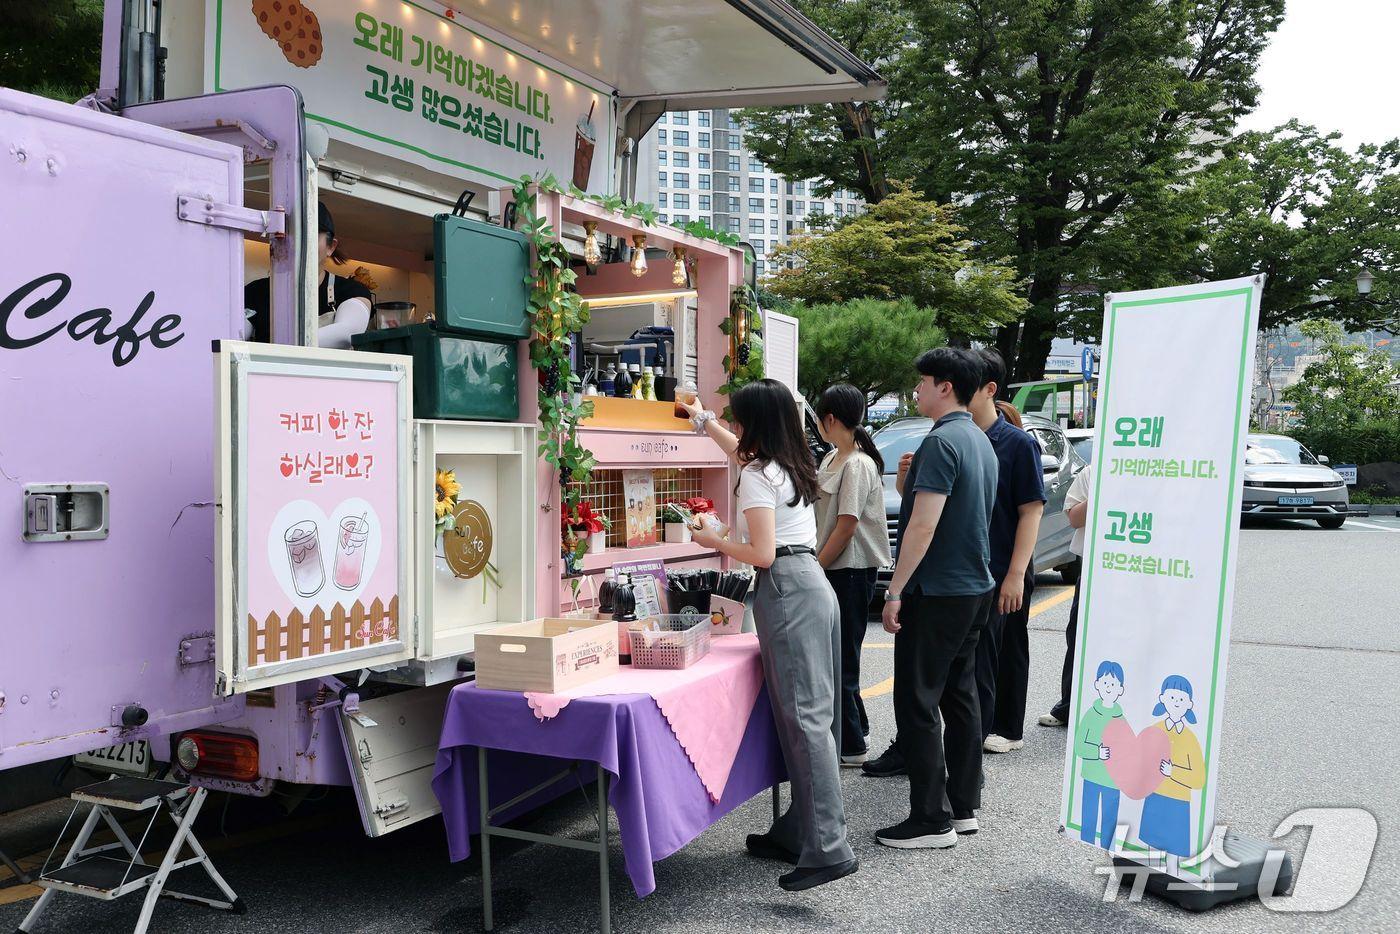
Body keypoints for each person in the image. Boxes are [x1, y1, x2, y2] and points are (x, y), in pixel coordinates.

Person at [681, 380, 858, 892]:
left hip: (785, 590)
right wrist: (701, 419)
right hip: (812, 586)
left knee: (804, 720)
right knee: (812, 716)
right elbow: (740, 453)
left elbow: (760, 554)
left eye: (737, 417)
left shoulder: (759, 475)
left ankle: (828, 848)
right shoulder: (789, 462)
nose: (733, 425)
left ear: (756, 422)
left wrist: (711, 539)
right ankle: (800, 830)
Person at [875, 348, 998, 849]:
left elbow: (923, 525)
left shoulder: (941, 442)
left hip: (938, 589)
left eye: (923, 382)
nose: (917, 391)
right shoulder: (980, 440)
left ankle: (931, 819)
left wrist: (895, 590)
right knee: (959, 695)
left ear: (945, 386)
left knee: (918, 700)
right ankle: (963, 805)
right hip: (974, 588)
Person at [969, 350, 1045, 754]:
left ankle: (1008, 727)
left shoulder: (1016, 444)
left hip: (1006, 562)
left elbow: (1032, 510)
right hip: (969, 564)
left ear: (988, 388)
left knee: (1009, 642)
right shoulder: (957, 437)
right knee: (978, 650)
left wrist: (1016, 573)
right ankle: (979, 723)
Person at [813, 384, 892, 767]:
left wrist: (815, 566)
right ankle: (856, 726)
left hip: (850, 569)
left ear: (830, 419)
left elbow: (846, 525)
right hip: (836, 567)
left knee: (842, 655)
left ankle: (852, 745)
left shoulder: (857, 464)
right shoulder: (833, 458)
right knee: (838, 652)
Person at [243, 202, 372, 348]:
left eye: (309, 234)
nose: (297, 243)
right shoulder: (254, 292)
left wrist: (282, 350)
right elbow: (232, 335)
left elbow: (346, 333)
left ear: (331, 247)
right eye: (288, 234)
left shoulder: (351, 291)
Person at [1138, 675, 1206, 874]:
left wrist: (1172, 771)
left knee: (1174, 847)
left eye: (1181, 699)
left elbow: (1199, 778)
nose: (1176, 703)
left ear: (1190, 704)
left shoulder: (1190, 738)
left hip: (1179, 801)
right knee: (1152, 841)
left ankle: (1174, 876)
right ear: (1162, 698)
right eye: (1172, 697)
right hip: (1155, 795)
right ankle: (1149, 875)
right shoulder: (1156, 729)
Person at [1040, 464, 1091, 727]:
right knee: (1079, 634)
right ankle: (1069, 706)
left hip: (1136, 572)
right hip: (1094, 566)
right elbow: (1074, 518)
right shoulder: (1094, 472)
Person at [1075, 660, 1126, 850]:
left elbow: (1128, 748)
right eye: (1105, 683)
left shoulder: (1121, 719)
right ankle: (1085, 846)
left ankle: (1108, 849)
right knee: (1088, 816)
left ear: (1120, 689)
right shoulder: (1091, 714)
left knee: (1109, 818)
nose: (1109, 688)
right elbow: (1079, 746)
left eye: (1113, 684)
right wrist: (1097, 752)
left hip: (1113, 779)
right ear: (1097, 684)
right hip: (1091, 775)